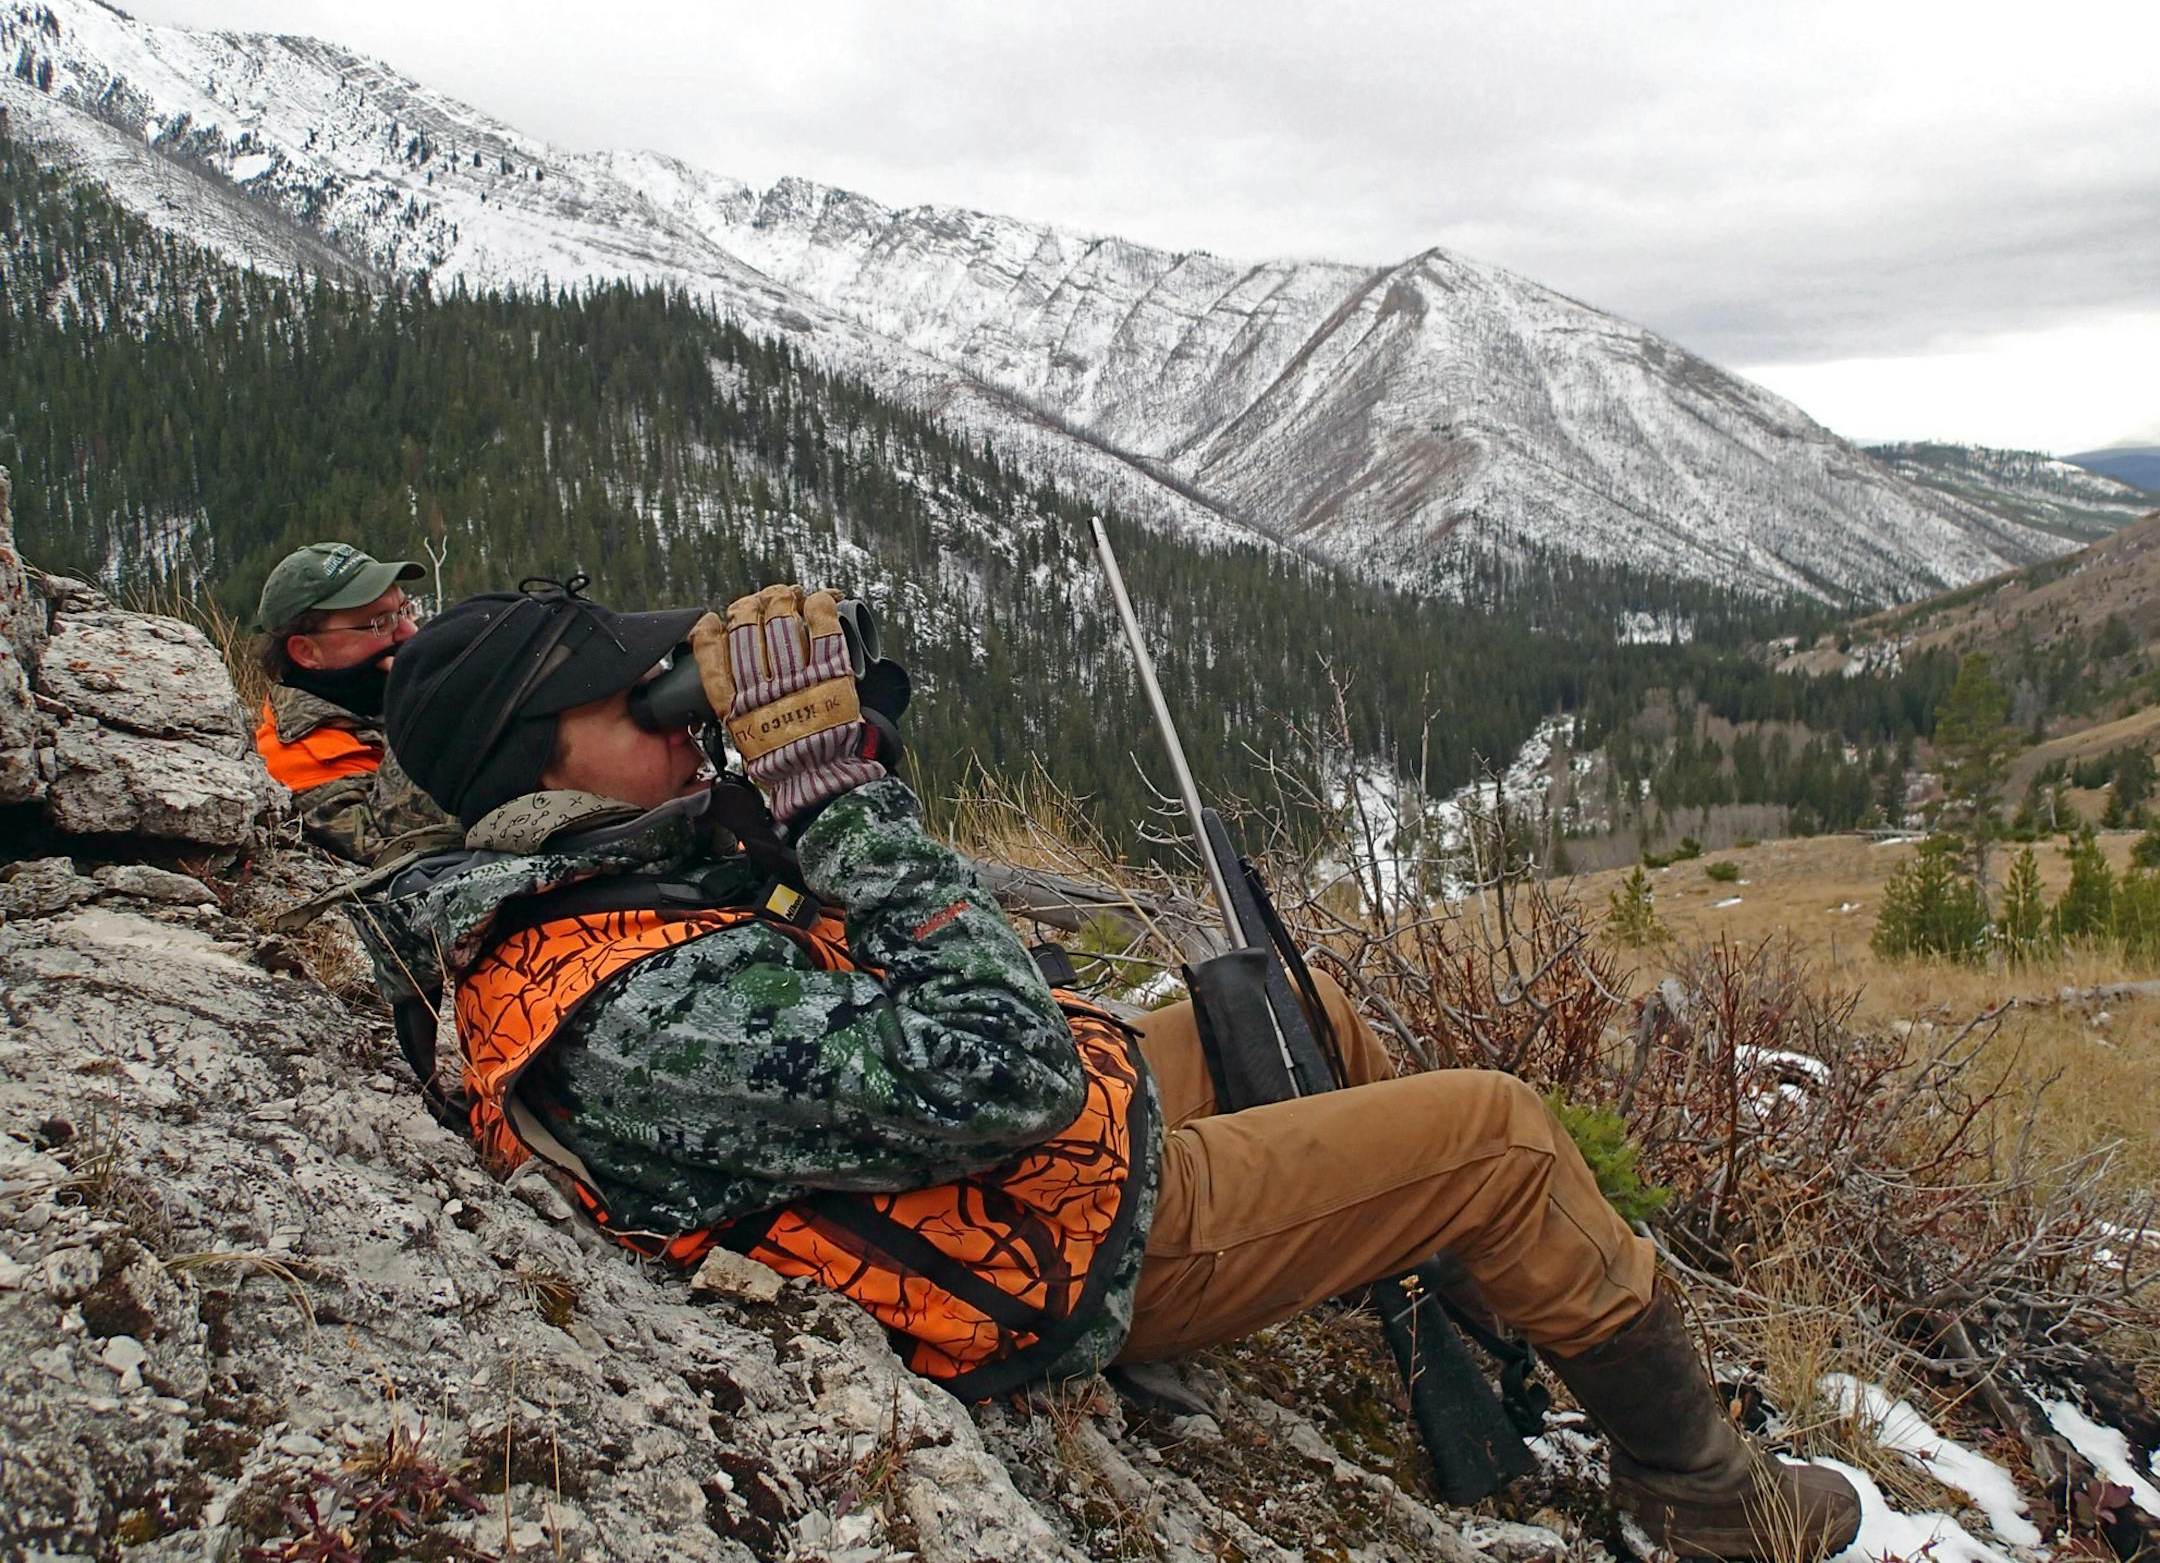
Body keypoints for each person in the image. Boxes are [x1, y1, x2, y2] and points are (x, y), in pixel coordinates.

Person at [371, 578, 1861, 1561]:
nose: (671, 716)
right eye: (636, 705)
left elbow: (876, 1006)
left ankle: (1470, 1307)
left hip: (975, 1166)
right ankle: (1707, 1499)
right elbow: (1006, 1067)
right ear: (535, 764)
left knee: (1290, 1004)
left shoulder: (588, 890)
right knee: (1501, 1135)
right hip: (1040, 1248)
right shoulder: (634, 1006)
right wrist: (834, 805)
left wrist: (819, 788)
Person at [251, 541, 449, 861]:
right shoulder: (295, 761)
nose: (410, 632)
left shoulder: (373, 705)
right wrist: (419, 708)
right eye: (380, 623)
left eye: (404, 611)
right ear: (306, 652)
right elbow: (398, 846)